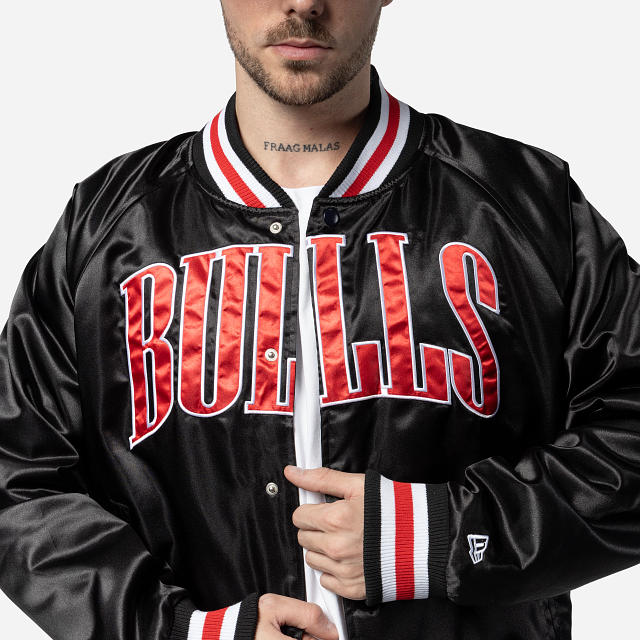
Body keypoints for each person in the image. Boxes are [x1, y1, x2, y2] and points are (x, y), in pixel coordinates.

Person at [1, 1, 639, 639]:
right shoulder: (107, 231)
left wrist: (442, 536)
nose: (303, 2)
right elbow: (16, 478)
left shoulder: (525, 206)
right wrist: (182, 630)